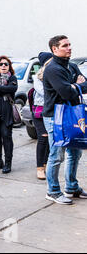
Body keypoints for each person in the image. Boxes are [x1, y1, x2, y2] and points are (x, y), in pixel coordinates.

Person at [43, 35, 87, 205]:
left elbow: (86, 85)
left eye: (70, 44)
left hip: (72, 114)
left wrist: (75, 86)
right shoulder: (53, 69)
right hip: (55, 116)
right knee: (56, 155)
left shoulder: (73, 66)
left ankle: (72, 187)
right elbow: (66, 92)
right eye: (65, 45)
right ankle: (52, 191)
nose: (69, 48)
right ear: (54, 49)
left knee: (75, 153)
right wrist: (77, 85)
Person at [32, 52, 53, 180]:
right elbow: (44, 93)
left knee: (50, 139)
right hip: (40, 112)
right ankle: (40, 168)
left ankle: (46, 165)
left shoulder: (54, 74)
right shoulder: (37, 77)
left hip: (51, 110)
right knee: (43, 138)